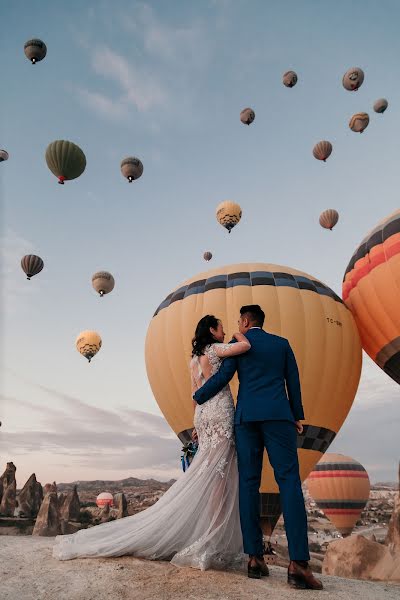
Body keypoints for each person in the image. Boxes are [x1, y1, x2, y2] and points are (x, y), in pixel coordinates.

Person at [52, 315, 250, 571]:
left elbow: (194, 394)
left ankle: (210, 533)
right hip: (220, 413)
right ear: (212, 331)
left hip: (202, 414)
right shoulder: (215, 349)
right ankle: (212, 535)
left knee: (211, 473)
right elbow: (245, 347)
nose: (224, 332)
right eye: (221, 328)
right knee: (220, 478)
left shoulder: (193, 360)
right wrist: (240, 334)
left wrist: (196, 424)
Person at [194, 305, 323, 590]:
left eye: (239, 321)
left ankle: (253, 558)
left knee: (248, 485)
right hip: (278, 416)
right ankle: (298, 564)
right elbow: (294, 382)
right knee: (289, 481)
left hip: (246, 419)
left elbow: (223, 377)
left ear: (245, 320)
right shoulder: (281, 344)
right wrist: (296, 416)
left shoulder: (238, 345)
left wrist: (199, 395)